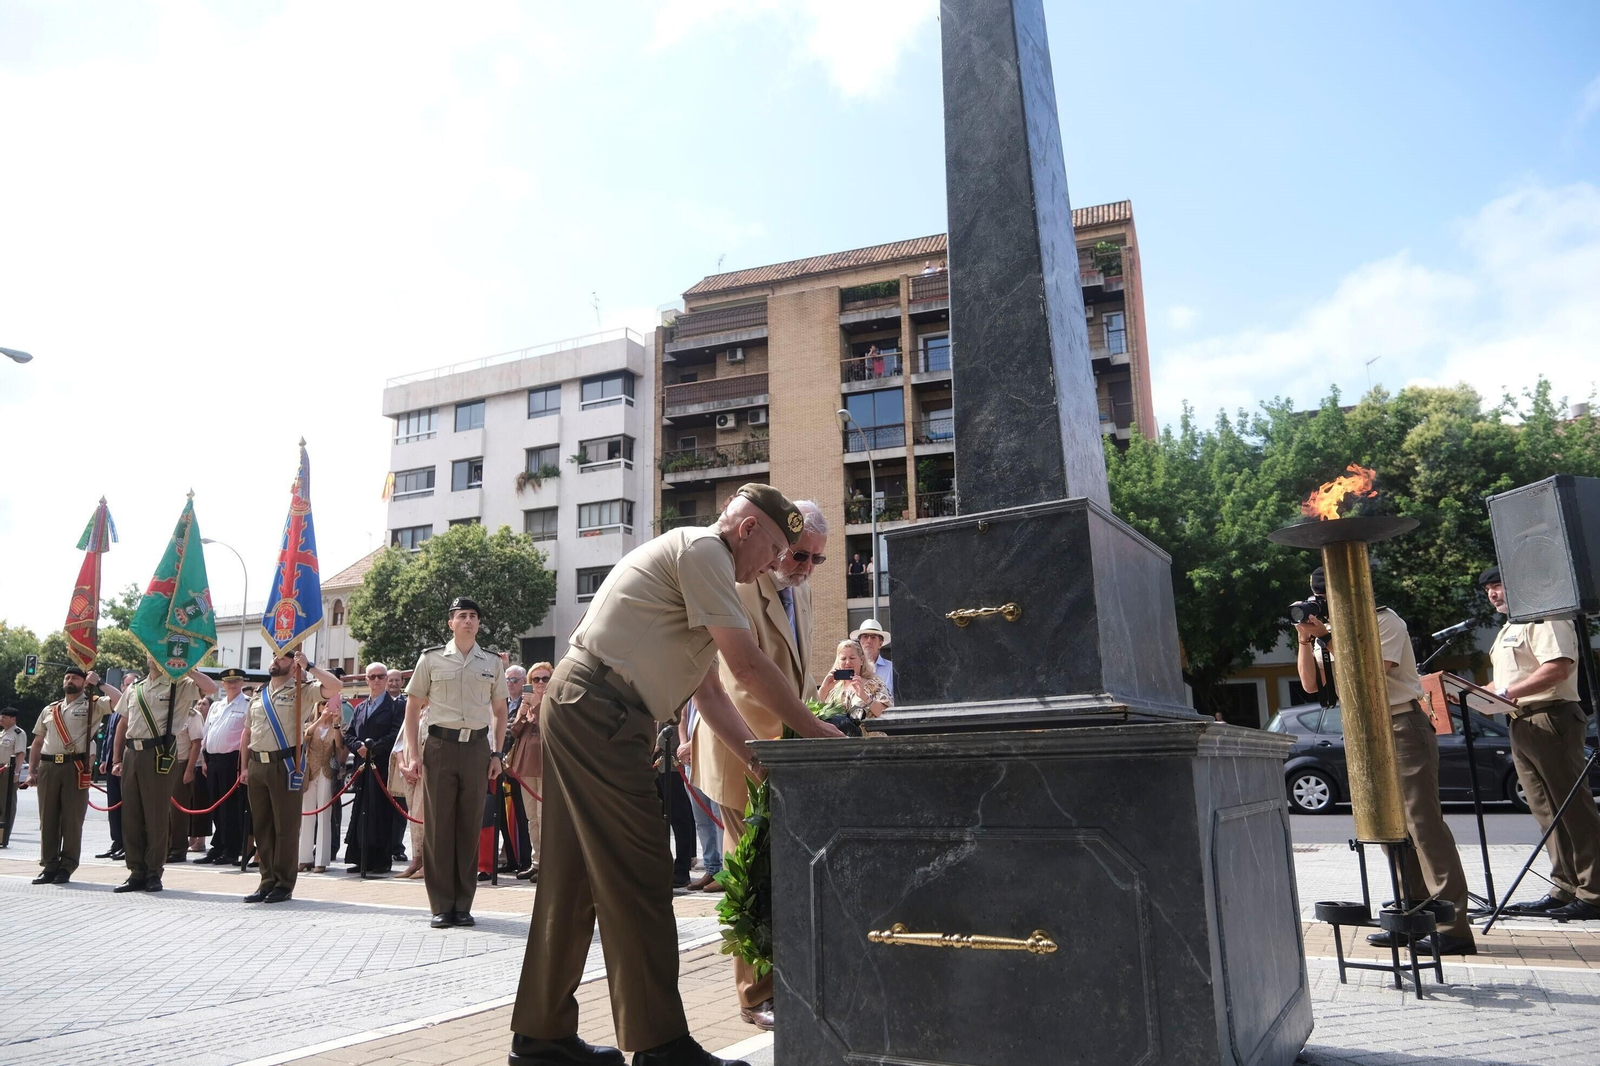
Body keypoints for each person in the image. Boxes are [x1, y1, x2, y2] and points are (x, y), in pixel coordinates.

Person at [506, 484, 843, 1066]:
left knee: (572, 877)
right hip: (601, 712)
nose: (776, 564)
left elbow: (710, 694)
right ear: (747, 531)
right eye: (777, 549)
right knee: (640, 874)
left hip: (588, 706)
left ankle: (541, 1039)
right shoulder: (705, 554)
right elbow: (746, 665)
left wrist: (763, 761)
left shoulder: (699, 568)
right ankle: (661, 1048)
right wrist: (819, 735)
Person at [691, 498, 828, 1029]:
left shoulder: (804, 591)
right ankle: (756, 996)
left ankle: (786, 982)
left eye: (816, 559)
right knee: (752, 873)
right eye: (797, 556)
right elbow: (739, 677)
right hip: (741, 749)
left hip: (786, 751)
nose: (804, 568)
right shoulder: (740, 582)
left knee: (783, 871)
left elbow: (797, 676)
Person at [1295, 567, 1475, 955]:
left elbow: (1373, 673)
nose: (1325, 604)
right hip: (1364, 732)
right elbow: (1311, 684)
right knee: (1388, 829)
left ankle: (1453, 928)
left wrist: (1327, 636)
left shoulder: (1384, 619)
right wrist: (1304, 640)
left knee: (1422, 826)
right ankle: (1411, 919)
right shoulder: (1330, 634)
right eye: (1321, 598)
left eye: (1328, 596)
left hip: (1400, 723)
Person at [1482, 566, 1600, 921]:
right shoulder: (1508, 629)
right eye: (1488, 589)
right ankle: (1564, 887)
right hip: (1520, 723)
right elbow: (1505, 683)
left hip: (1552, 717)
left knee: (1571, 807)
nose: (1492, 593)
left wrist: (1505, 693)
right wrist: (1470, 695)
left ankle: (1594, 891)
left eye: (1498, 585)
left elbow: (1557, 669)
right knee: (1546, 812)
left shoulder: (1547, 617)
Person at [402, 597, 509, 929]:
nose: (468, 621)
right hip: (439, 747)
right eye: (462, 616)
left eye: (473, 616)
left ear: (478, 624)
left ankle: (463, 904)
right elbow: (413, 707)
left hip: (477, 749)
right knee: (438, 828)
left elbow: (501, 711)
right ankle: (440, 904)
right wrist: (414, 755)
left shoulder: (491, 662)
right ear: (451, 623)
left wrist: (497, 754)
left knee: (468, 826)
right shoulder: (431, 659)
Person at [239, 647, 340, 903]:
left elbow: (335, 686)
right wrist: (244, 768)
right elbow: (247, 733)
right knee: (262, 826)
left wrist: (309, 666)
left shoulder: (302, 691)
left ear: (293, 664)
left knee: (285, 827)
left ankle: (284, 883)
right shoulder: (259, 694)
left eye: (283, 656)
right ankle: (266, 881)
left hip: (284, 764)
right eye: (274, 655)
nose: (276, 659)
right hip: (258, 763)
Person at [113, 661, 216, 892]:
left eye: (158, 653)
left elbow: (210, 688)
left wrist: (186, 667)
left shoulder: (179, 684)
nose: (154, 657)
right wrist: (116, 759)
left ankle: (153, 872)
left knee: (156, 816)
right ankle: (135, 871)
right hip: (132, 752)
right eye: (151, 653)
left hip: (158, 752)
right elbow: (123, 722)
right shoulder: (134, 687)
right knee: (131, 816)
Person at [23, 668, 114, 884]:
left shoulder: (93, 704)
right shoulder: (50, 709)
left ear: (84, 682)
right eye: (67, 677)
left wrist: (99, 682)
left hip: (75, 766)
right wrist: (31, 771)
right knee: (48, 819)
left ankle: (67, 866)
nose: (69, 680)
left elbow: (121, 701)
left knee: (72, 819)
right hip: (48, 766)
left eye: (74, 677)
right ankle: (49, 865)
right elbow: (37, 742)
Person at [343, 662, 405, 875]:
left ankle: (380, 860)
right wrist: (358, 747)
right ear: (366, 679)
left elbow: (395, 734)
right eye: (372, 677)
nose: (377, 680)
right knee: (360, 812)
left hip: (382, 767)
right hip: (362, 767)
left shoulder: (396, 706)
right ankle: (360, 858)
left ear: (387, 679)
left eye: (381, 676)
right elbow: (349, 733)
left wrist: (372, 749)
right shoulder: (360, 707)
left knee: (381, 813)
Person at [196, 668, 250, 864]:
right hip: (213, 759)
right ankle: (218, 845)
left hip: (232, 759)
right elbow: (207, 731)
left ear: (242, 682)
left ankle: (231, 848)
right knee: (215, 805)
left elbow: (247, 735)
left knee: (231, 806)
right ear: (223, 684)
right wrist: (204, 758)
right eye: (229, 681)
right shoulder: (216, 705)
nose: (232, 684)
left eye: (236, 681)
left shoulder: (247, 704)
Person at [507, 662, 550, 881]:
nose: (540, 683)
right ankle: (536, 862)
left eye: (545, 678)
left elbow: (553, 727)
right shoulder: (525, 702)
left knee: (544, 816)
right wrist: (523, 713)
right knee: (531, 817)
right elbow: (514, 732)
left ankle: (547, 865)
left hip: (546, 766)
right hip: (525, 766)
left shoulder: (554, 701)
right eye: (536, 679)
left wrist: (539, 705)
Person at [676, 703, 724, 894]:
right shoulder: (691, 685)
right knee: (702, 821)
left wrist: (692, 744)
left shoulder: (717, 682)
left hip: (712, 758)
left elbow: (717, 718)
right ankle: (712, 868)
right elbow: (683, 717)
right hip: (691, 761)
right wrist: (683, 745)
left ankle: (724, 871)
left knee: (719, 818)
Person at [301, 700, 347, 873]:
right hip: (310, 772)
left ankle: (321, 860)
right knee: (307, 815)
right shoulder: (311, 724)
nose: (326, 707)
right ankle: (304, 858)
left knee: (324, 815)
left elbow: (339, 745)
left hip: (327, 772)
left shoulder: (339, 726)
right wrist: (320, 720)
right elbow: (306, 736)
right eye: (322, 704)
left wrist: (334, 724)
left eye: (330, 704)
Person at [654, 719, 697, 893]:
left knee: (679, 818)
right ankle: (665, 867)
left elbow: (679, 722)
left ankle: (682, 869)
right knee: (660, 817)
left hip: (672, 763)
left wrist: (655, 742)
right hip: (656, 764)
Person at [164, 693, 206, 864]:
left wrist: (189, 770)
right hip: (163, 764)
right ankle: (164, 846)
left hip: (181, 763)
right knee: (162, 810)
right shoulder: (165, 712)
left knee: (177, 811)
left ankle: (178, 849)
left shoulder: (192, 715)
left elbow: (196, 743)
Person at [94, 671, 130, 861]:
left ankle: (127, 843)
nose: (129, 688)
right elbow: (109, 737)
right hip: (111, 764)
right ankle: (116, 842)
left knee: (126, 807)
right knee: (113, 806)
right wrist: (104, 759)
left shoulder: (132, 707)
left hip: (126, 764)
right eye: (127, 684)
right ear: (122, 687)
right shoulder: (116, 711)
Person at [818, 639, 891, 721]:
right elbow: (816, 713)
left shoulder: (874, 684)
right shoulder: (833, 686)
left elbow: (888, 715)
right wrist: (824, 688)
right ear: (838, 661)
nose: (848, 662)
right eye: (843, 659)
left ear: (862, 660)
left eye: (852, 658)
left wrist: (865, 697)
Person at [0, 707, 27, 848]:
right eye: (1, 716)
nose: (1, 719)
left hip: (8, 770)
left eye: (4, 717)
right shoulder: (2, 733)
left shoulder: (18, 733)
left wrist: (16, 773)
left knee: (7, 804)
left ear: (13, 719)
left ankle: (4, 836)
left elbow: (20, 754)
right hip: (0, 769)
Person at [849, 619, 894, 699]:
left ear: (880, 643)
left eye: (873, 637)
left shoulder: (891, 669)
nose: (869, 641)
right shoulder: (851, 667)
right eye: (865, 637)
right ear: (859, 642)